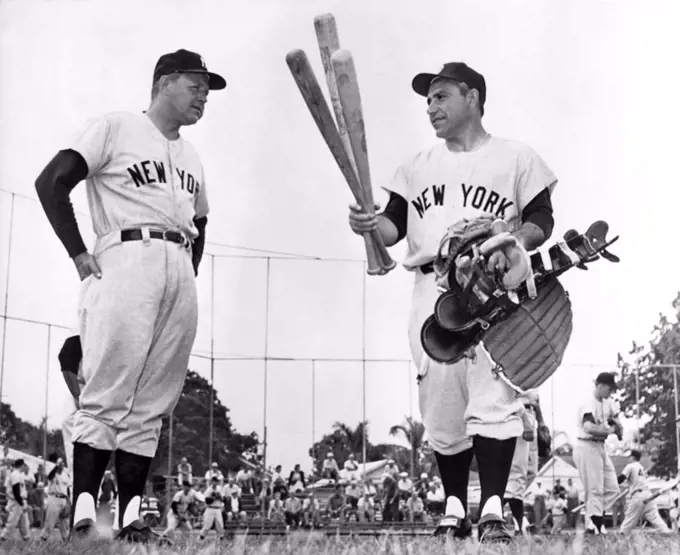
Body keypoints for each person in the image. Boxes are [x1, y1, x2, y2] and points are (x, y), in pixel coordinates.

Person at [348, 62, 557, 542]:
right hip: (432, 286)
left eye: (441, 96)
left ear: (473, 97)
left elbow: (541, 218)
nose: (431, 107)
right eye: (427, 100)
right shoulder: (416, 165)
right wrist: (368, 223)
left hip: (493, 287)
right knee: (440, 400)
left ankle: (494, 508)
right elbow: (391, 230)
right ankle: (455, 505)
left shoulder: (516, 157)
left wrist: (512, 240)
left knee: (495, 393)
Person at [34, 48, 225, 543]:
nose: (203, 96)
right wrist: (78, 252)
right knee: (106, 393)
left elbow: (200, 223)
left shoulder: (191, 156)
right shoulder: (116, 127)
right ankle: (83, 518)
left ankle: (131, 518)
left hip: (177, 265)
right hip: (125, 254)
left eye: (207, 90)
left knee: (153, 401)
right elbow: (52, 181)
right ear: (164, 82)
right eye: (195, 85)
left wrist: (188, 271)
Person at [573, 372, 622, 534]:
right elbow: (590, 428)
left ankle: (591, 520)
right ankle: (595, 525)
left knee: (613, 488)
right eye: (609, 388)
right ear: (600, 385)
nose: (611, 392)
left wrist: (613, 427)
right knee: (594, 489)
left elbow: (620, 430)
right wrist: (610, 430)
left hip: (600, 447)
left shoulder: (608, 403)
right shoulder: (588, 402)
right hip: (586, 445)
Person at [504, 389, 541, 534]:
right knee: (517, 471)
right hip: (518, 413)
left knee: (531, 471)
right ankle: (520, 524)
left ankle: (499, 503)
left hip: (531, 414)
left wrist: (542, 422)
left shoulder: (536, 369)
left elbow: (536, 400)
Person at [618, 449, 670, 534]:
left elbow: (621, 478)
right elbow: (632, 483)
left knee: (630, 516)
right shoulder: (641, 468)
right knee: (654, 516)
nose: (628, 459)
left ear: (632, 457)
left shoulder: (631, 465)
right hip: (647, 494)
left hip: (638, 495)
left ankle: (623, 533)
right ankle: (665, 531)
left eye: (629, 457)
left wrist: (612, 483)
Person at [40, 455, 72, 542]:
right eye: (60, 464)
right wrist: (56, 467)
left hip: (64, 499)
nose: (62, 466)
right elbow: (49, 477)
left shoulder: (65, 475)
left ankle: (65, 538)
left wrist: (68, 501)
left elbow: (68, 488)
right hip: (54, 498)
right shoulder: (53, 474)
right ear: (57, 465)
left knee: (65, 520)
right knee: (50, 520)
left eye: (63, 464)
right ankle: (44, 537)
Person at [0, 459, 30, 541]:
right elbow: (16, 491)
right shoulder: (15, 474)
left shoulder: (20, 475)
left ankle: (26, 538)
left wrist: (23, 502)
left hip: (21, 500)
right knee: (12, 521)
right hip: (16, 501)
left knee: (24, 521)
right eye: (24, 465)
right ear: (21, 465)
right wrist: (21, 503)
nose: (25, 467)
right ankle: (3, 537)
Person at [198, 477, 224, 541]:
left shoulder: (220, 488)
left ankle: (220, 538)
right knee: (207, 525)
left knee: (220, 525)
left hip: (218, 508)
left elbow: (223, 499)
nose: (215, 482)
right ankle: (201, 538)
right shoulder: (208, 490)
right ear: (212, 482)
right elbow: (207, 501)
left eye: (216, 481)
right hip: (210, 508)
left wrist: (219, 496)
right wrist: (214, 497)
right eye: (214, 481)